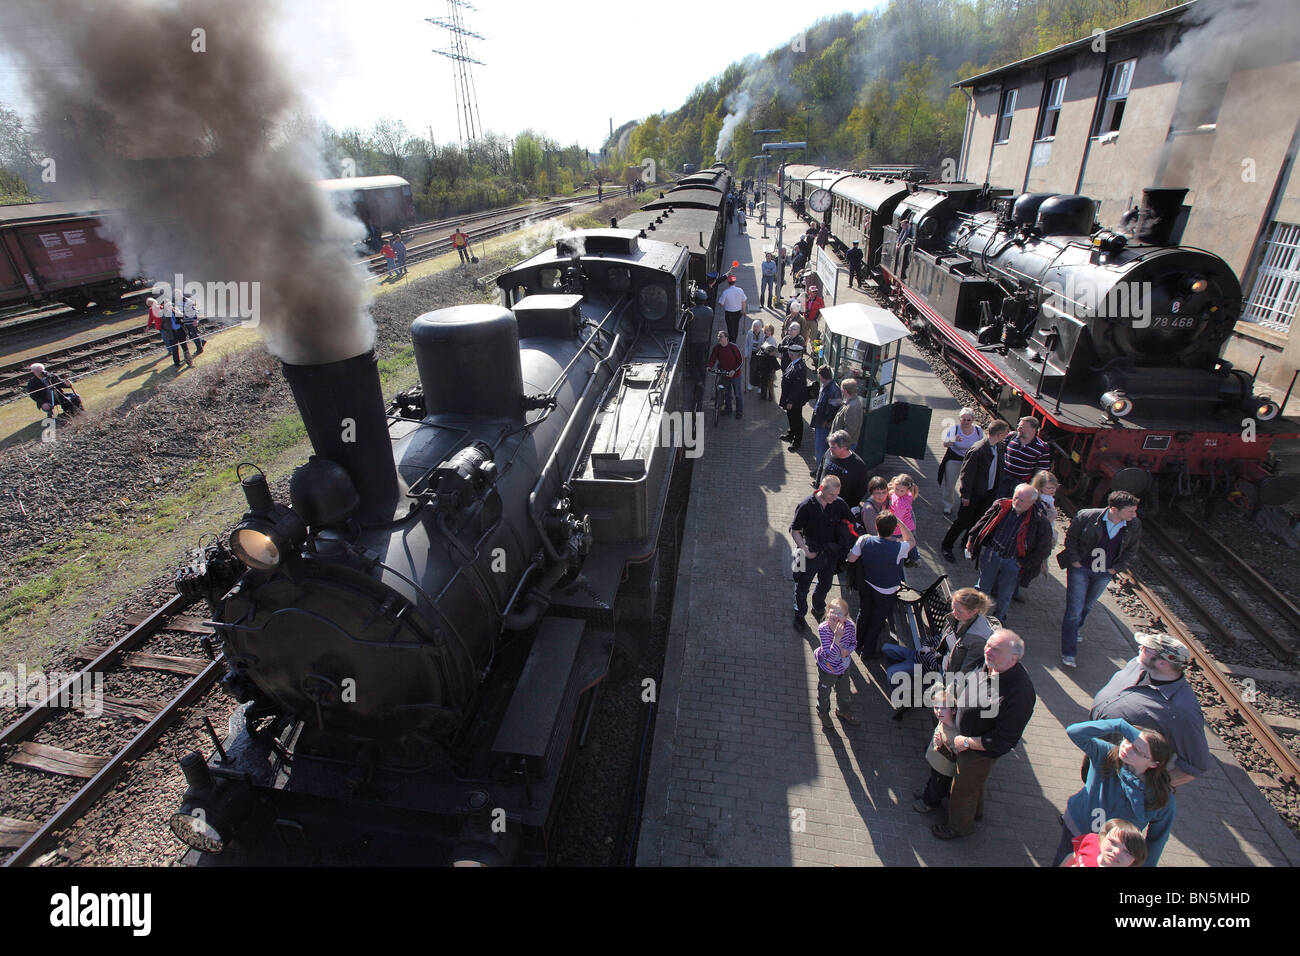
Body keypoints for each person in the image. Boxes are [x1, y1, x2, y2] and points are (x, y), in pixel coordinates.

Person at [927, 629, 1036, 838]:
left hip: (978, 750)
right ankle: (975, 811)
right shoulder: (991, 665)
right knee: (972, 783)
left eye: (995, 649)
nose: (988, 651)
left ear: (1013, 659)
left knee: (962, 788)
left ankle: (958, 827)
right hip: (963, 735)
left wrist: (966, 742)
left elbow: (1004, 740)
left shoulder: (1020, 693)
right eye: (988, 645)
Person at [1089, 633, 1210, 788]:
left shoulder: (1182, 710)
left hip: (1117, 774)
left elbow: (1195, 766)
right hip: (1098, 748)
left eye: (1146, 649)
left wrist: (1147, 787)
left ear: (1163, 663)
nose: (1140, 648)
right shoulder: (1139, 663)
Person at [1052, 719, 1176, 867]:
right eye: (1128, 740)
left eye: (1137, 750)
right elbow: (1074, 732)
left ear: (1153, 764)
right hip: (1077, 829)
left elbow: (1157, 838)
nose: (1127, 748)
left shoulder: (1161, 798)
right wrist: (1119, 725)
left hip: (1115, 850)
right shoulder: (1106, 754)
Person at [1058, 490, 1142, 667]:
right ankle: (1069, 652)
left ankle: (1075, 629)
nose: (1134, 514)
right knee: (1074, 609)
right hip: (1081, 569)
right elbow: (1071, 538)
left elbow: (1131, 550)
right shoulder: (1087, 516)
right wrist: (1074, 560)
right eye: (1130, 511)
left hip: (1104, 572)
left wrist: (1115, 569)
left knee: (1087, 605)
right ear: (1113, 509)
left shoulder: (1133, 525)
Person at [883, 587, 992, 712]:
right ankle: (906, 679)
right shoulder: (959, 619)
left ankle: (902, 699)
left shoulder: (976, 640)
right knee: (887, 649)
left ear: (974, 612)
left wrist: (928, 654)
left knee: (892, 672)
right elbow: (941, 638)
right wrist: (927, 645)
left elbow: (956, 673)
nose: (954, 613)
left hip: (933, 668)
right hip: (927, 655)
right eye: (953, 607)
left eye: (959, 611)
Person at [967, 483, 1053, 623]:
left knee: (1005, 594)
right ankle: (977, 618)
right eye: (1016, 497)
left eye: (1022, 500)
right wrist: (972, 538)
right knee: (983, 588)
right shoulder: (1001, 506)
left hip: (1013, 562)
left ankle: (998, 620)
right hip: (992, 555)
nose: (1016, 502)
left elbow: (1044, 550)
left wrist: (1023, 563)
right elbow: (982, 522)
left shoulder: (1040, 522)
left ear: (1031, 503)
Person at [846, 512, 914, 658]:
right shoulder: (899, 548)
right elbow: (912, 541)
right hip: (887, 591)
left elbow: (851, 558)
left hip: (866, 585)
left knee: (863, 613)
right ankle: (868, 651)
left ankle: (857, 643)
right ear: (893, 529)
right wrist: (901, 522)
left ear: (876, 526)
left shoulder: (864, 540)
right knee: (877, 620)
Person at [941, 419, 1010, 562]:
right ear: (999, 434)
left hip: (988, 493)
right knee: (962, 521)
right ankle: (947, 546)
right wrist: (965, 495)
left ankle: (966, 544)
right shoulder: (978, 450)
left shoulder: (1000, 447)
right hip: (973, 494)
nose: (1006, 436)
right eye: (1005, 433)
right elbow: (967, 474)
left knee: (977, 521)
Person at [790, 474, 854, 628]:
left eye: (837, 494)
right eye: (831, 494)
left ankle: (818, 606)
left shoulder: (839, 504)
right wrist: (805, 550)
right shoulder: (806, 506)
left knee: (825, 584)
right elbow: (795, 530)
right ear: (821, 489)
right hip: (810, 552)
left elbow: (851, 522)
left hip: (830, 554)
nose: (834, 498)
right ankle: (800, 613)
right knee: (802, 585)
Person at [815, 599, 860, 728]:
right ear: (827, 614)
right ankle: (823, 712)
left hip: (843, 667)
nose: (835, 615)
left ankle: (843, 710)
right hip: (828, 668)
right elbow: (830, 656)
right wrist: (837, 638)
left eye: (840, 613)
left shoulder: (850, 626)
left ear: (846, 617)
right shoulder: (823, 629)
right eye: (832, 612)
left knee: (844, 690)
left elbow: (853, 644)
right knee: (824, 691)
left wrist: (846, 651)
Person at [937, 409, 984, 516]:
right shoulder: (955, 429)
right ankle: (948, 505)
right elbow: (945, 444)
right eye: (963, 419)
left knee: (970, 483)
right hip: (954, 459)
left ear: (973, 420)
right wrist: (954, 440)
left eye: (969, 420)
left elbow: (982, 444)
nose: (966, 422)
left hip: (970, 460)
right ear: (960, 419)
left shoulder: (978, 430)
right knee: (950, 483)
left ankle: (967, 503)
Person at [814, 430, 868, 512]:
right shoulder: (829, 452)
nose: (830, 449)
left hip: (839, 508)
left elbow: (861, 490)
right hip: (822, 501)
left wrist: (847, 506)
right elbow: (820, 469)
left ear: (844, 448)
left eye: (833, 447)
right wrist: (817, 489)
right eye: (830, 446)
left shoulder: (858, 465)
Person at [999, 416, 1052, 497]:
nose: (1019, 429)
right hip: (1003, 478)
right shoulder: (1011, 436)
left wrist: (1033, 487)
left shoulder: (1042, 448)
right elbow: (999, 451)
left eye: (1022, 427)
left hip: (1020, 483)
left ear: (1033, 430)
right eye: (1019, 426)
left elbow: (1041, 471)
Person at [1061, 818, 1149, 868]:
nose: (1117, 851)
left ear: (1134, 861)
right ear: (1102, 838)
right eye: (1113, 842)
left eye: (1127, 852)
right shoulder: (1091, 841)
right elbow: (1073, 856)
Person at [809, 366, 843, 471]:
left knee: (821, 449)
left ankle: (821, 471)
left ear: (821, 376)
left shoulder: (833, 389)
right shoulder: (826, 385)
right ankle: (820, 469)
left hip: (824, 425)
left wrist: (826, 421)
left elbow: (834, 409)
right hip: (820, 422)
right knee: (819, 448)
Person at [706, 330, 744, 419]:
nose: (719, 338)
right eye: (718, 336)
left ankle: (739, 412)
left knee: (737, 394)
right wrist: (709, 366)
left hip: (735, 375)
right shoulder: (717, 348)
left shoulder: (733, 347)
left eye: (721, 336)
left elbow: (740, 361)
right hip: (724, 373)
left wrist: (734, 370)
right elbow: (712, 358)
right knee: (726, 393)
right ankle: (728, 409)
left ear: (726, 338)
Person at [779, 343, 811, 450]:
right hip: (790, 399)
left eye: (789, 353)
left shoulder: (799, 368)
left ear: (792, 355)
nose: (788, 354)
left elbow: (796, 388)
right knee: (791, 418)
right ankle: (791, 434)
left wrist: (790, 401)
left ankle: (797, 442)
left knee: (796, 420)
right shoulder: (794, 363)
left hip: (794, 401)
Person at [888, 474, 921, 567]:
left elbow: (897, 519)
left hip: (900, 527)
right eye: (896, 489)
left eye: (901, 490)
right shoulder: (907, 495)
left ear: (907, 490)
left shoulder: (901, 504)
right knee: (911, 541)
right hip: (908, 524)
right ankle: (915, 557)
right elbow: (893, 493)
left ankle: (914, 559)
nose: (898, 492)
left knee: (907, 542)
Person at [686, 289, 715, 382]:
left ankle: (697, 379)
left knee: (692, 360)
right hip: (704, 339)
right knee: (701, 360)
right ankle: (702, 377)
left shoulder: (690, 312)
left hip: (693, 341)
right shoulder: (710, 311)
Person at [158, 295, 193, 368]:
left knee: (185, 347)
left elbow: (182, 316)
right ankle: (177, 364)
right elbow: (164, 322)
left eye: (170, 304)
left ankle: (189, 361)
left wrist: (175, 311)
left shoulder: (175, 309)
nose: (169, 306)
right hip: (171, 333)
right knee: (174, 349)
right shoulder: (162, 313)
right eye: (167, 305)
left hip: (180, 331)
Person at [830, 379, 862, 451]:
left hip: (843, 445)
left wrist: (838, 443)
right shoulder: (851, 402)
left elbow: (850, 429)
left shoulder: (852, 407)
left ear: (845, 390)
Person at [716, 274, 747, 344]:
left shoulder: (725, 292)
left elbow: (721, 303)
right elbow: (744, 301)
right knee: (736, 327)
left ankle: (731, 341)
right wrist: (744, 311)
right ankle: (734, 341)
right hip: (738, 313)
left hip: (729, 313)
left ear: (728, 283)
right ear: (735, 282)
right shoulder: (740, 290)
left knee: (730, 328)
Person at [756, 325, 780, 401]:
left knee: (770, 380)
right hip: (764, 361)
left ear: (772, 332)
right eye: (766, 330)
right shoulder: (763, 338)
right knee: (763, 379)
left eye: (769, 331)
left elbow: (776, 352)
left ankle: (771, 397)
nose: (767, 332)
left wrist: (772, 353)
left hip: (770, 363)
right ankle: (763, 396)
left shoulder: (772, 340)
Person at [742, 318, 764, 394]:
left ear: (760, 327)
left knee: (759, 370)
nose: (756, 328)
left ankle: (759, 386)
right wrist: (745, 353)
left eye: (758, 326)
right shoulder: (750, 333)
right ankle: (750, 383)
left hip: (760, 354)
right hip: (752, 354)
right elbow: (746, 344)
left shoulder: (763, 334)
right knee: (752, 369)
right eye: (754, 326)